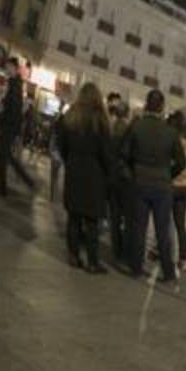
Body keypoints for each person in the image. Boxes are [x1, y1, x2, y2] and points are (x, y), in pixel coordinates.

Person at [120, 89, 186, 282]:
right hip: (163, 186)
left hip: (140, 182)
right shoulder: (171, 132)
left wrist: (133, 174)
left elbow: (123, 155)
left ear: (147, 104)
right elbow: (181, 162)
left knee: (139, 228)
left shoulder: (136, 126)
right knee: (162, 231)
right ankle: (168, 272)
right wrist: (168, 174)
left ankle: (136, 268)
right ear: (162, 107)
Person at [57, 83, 112, 274]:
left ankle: (73, 256)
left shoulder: (71, 115)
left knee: (73, 216)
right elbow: (106, 152)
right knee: (92, 221)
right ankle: (92, 262)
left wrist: (69, 160)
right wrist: (108, 172)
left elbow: (61, 143)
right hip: (94, 174)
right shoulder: (100, 119)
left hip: (74, 169)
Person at [0, 57, 36, 197]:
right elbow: (12, 104)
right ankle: (9, 185)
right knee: (6, 155)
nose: (6, 69)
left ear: (14, 67)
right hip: (10, 124)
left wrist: (2, 109)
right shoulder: (14, 83)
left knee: (4, 154)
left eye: (7, 67)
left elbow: (15, 107)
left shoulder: (15, 83)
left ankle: (4, 187)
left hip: (10, 125)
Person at [104, 93, 131, 263]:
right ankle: (120, 250)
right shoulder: (127, 129)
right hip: (122, 178)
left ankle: (116, 248)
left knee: (114, 216)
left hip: (111, 175)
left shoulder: (112, 127)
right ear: (127, 114)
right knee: (121, 216)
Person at [167, 110, 186, 271]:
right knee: (180, 225)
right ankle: (183, 257)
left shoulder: (172, 142)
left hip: (172, 185)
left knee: (166, 221)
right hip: (185, 187)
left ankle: (163, 251)